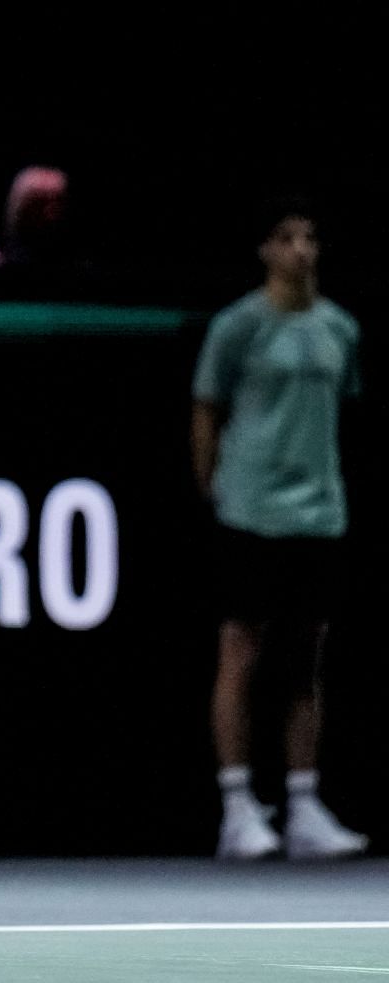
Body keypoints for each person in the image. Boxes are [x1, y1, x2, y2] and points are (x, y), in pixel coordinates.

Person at [193, 198, 366, 862]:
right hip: (249, 509)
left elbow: (343, 410)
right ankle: (238, 807)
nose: (303, 250)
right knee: (241, 652)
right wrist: (212, 484)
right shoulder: (238, 327)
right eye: (289, 238)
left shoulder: (340, 329)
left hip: (319, 513)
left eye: (311, 237)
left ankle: (302, 803)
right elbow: (206, 408)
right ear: (266, 249)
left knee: (305, 660)